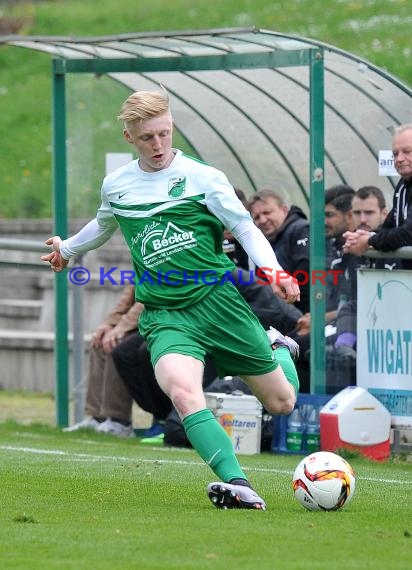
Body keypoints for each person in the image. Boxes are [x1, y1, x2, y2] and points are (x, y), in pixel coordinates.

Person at [41, 88, 300, 511]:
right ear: (129, 136)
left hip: (218, 303)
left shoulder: (204, 178)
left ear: (172, 126)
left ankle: (276, 347)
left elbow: (247, 228)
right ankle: (238, 484)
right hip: (165, 314)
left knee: (282, 401)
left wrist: (275, 272)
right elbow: (103, 224)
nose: (158, 145)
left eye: (163, 134)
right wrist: (66, 250)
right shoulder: (118, 185)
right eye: (147, 138)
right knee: (182, 391)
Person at [63, 285, 144, 438]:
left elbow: (149, 298)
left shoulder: (165, 261)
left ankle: (119, 422)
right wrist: (109, 323)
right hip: (139, 319)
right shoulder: (140, 261)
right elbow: (128, 296)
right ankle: (97, 418)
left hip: (164, 318)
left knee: (116, 344)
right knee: (100, 343)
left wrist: (121, 327)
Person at [343, 124, 412, 267]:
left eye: (407, 151)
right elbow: (390, 226)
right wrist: (361, 237)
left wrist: (369, 241)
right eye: (395, 153)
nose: (399, 159)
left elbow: (408, 234)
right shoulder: (402, 185)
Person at [248, 189, 310, 314]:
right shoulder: (265, 241)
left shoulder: (301, 230)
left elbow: (305, 274)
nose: (263, 220)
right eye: (257, 217)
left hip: (303, 312)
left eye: (267, 212)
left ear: (284, 209)